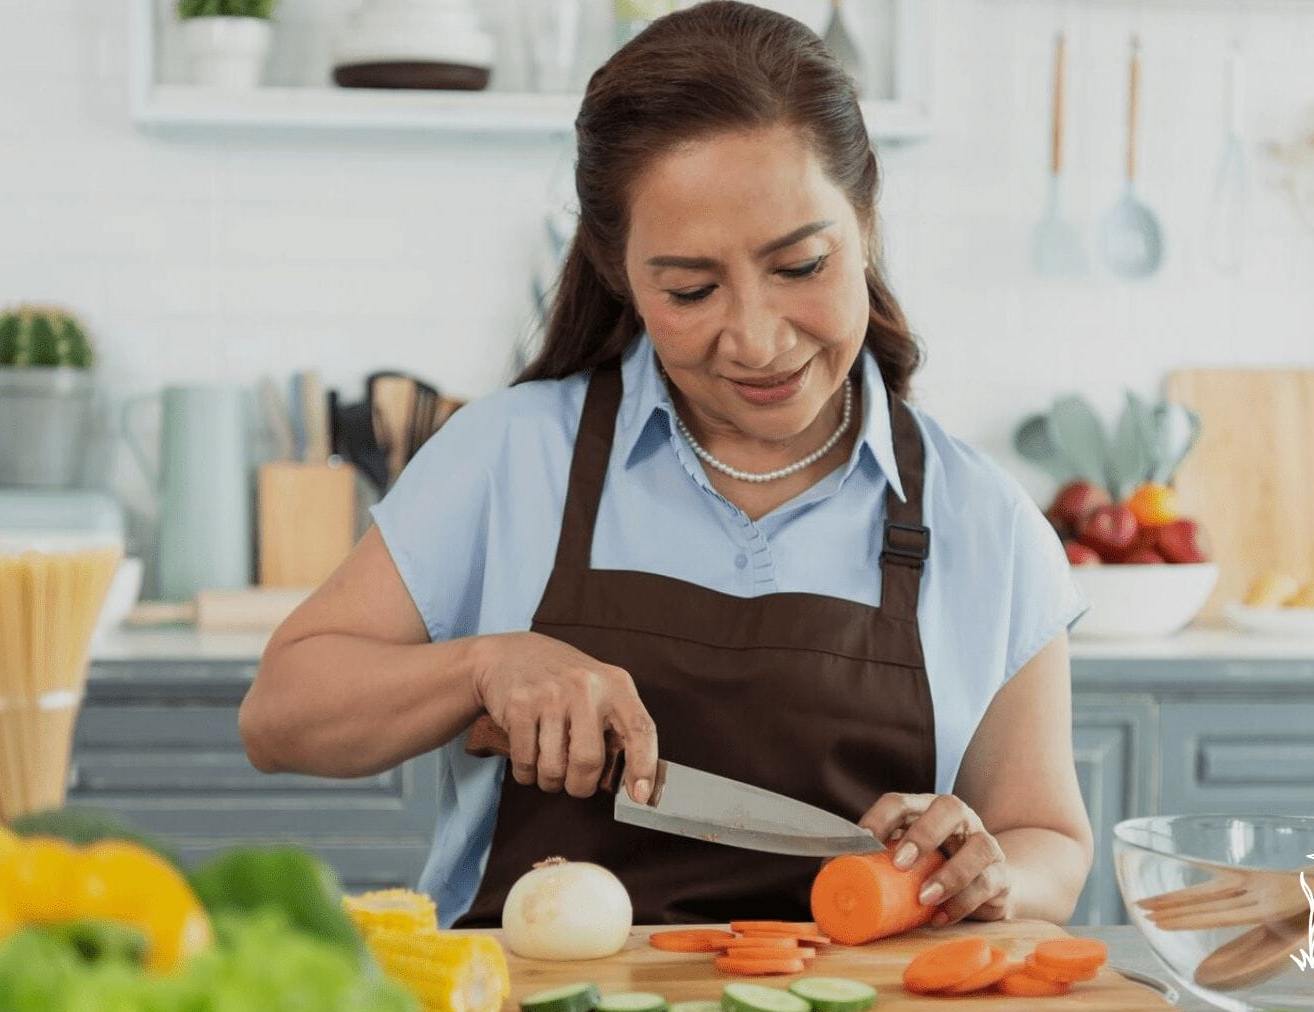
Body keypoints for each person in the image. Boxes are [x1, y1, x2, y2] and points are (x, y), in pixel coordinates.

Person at [240, 1, 1095, 930]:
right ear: (620, 271)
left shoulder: (984, 521)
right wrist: (482, 667)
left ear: (866, 221)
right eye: (690, 289)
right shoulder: (511, 455)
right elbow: (279, 715)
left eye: (801, 266)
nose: (758, 340)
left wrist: (989, 873)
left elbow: (1048, 839)